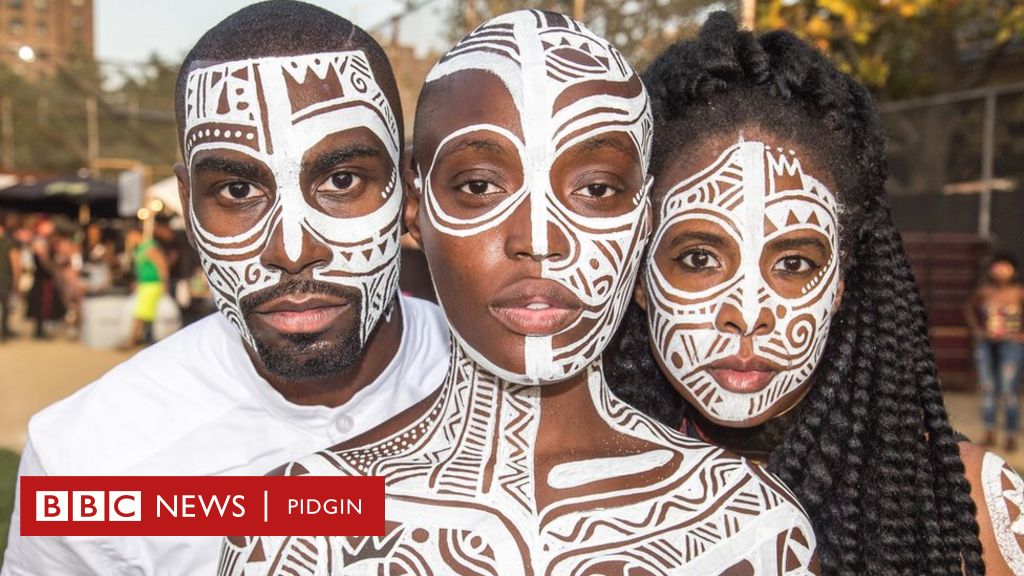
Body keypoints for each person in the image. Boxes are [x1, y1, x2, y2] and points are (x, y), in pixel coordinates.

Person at [219, 11, 819, 574]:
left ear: (645, 215)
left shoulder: (753, 526)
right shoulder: (294, 522)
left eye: (597, 190)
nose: (539, 239)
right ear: (413, 208)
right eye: (479, 185)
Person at [1, 2, 450, 574]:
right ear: (188, 204)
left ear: (405, 189)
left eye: (341, 180)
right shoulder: (83, 461)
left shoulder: (527, 402)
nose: (291, 251)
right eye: (238, 189)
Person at [605, 12, 1024, 575]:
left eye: (794, 263)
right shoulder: (579, 504)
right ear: (640, 281)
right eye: (699, 259)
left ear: (840, 283)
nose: (747, 314)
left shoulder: (966, 504)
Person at [966, 253, 1024, 451]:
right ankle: (989, 431)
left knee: (1008, 389)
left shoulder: (1018, 292)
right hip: (986, 344)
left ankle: (1010, 433)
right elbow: (969, 309)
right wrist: (976, 329)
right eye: (998, 266)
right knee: (987, 387)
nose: (1001, 270)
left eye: (1005, 266)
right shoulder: (984, 291)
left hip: (1011, 344)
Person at [124, 222, 169, 347]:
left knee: (140, 313)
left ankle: (132, 340)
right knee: (146, 314)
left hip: (152, 285)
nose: (129, 241)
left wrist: (164, 283)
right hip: (145, 285)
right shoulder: (139, 250)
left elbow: (162, 265)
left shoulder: (149, 247)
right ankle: (141, 339)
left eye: (129, 237)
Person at [25, 218, 66, 339]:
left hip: (43, 278)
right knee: (41, 304)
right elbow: (44, 262)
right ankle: (39, 330)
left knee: (43, 304)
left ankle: (40, 329)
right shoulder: (40, 243)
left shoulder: (44, 243)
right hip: (42, 278)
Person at [0, 215, 20, 341]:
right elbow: (16, 263)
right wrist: (16, 282)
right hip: (4, 280)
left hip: (4, 279)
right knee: (5, 306)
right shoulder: (9, 242)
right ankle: (4, 330)